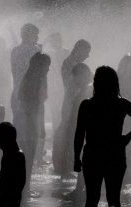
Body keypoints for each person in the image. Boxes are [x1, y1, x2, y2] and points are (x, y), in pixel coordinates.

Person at [74, 66, 131, 207]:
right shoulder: (120, 103)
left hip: (92, 154)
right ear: (115, 83)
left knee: (91, 199)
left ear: (96, 82)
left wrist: (76, 157)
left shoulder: (87, 105)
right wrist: (127, 138)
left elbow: (80, 133)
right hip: (115, 154)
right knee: (114, 200)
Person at [53, 40, 91, 177]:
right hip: (72, 104)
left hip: (73, 103)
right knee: (68, 135)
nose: (88, 56)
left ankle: (64, 166)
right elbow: (72, 85)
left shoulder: (72, 63)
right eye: (87, 52)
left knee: (69, 134)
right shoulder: (70, 64)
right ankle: (63, 167)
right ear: (79, 49)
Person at [17, 52, 51, 198]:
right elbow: (29, 106)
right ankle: (24, 189)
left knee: (28, 157)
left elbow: (39, 105)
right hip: (27, 122)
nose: (48, 69)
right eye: (46, 66)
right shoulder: (32, 81)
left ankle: (25, 187)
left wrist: (41, 125)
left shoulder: (36, 79)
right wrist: (35, 125)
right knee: (27, 157)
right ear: (39, 66)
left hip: (31, 121)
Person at [63, 63, 93, 199]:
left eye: (76, 77)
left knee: (85, 159)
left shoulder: (87, 90)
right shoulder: (89, 89)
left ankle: (80, 190)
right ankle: (82, 189)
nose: (74, 80)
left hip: (85, 130)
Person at [10, 23, 42, 127]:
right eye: (35, 34)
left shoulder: (15, 51)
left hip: (17, 91)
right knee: (30, 127)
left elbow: (14, 72)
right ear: (28, 35)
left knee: (18, 124)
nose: (37, 37)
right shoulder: (35, 50)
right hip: (30, 94)